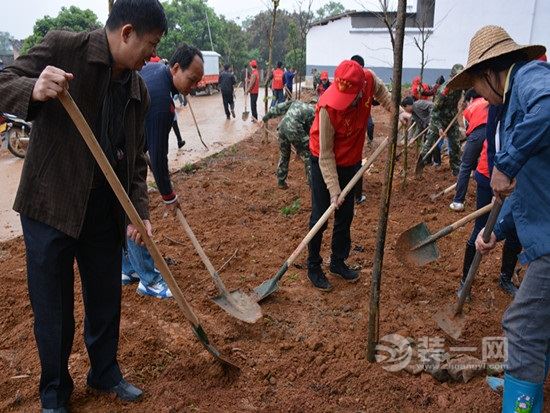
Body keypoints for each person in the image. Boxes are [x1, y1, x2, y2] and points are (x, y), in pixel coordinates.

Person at [0, 0, 168, 410]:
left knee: (106, 300)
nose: (152, 54)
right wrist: (34, 87)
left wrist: (139, 212)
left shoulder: (137, 89)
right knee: (53, 309)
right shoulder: (64, 48)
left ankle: (105, 372)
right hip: (50, 206)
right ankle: (55, 392)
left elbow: (137, 158)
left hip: (102, 213)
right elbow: (4, 79)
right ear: (126, 32)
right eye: (150, 44)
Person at [448, 25, 549, 412]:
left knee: (521, 325)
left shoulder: (530, 77)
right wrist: (499, 232)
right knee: (541, 321)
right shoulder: (508, 108)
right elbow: (525, 189)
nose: (477, 93)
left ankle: (520, 402)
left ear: (492, 70)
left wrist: (505, 163)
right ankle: (523, 383)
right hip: (542, 227)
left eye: (476, 83)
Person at [307, 60, 399, 291]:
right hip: (323, 159)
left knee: (346, 214)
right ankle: (313, 266)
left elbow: (381, 91)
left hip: (351, 159)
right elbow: (326, 155)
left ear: (360, 89)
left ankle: (338, 261)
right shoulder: (328, 107)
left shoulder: (368, 80)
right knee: (321, 215)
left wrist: (395, 110)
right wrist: (334, 190)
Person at [122, 44, 204, 299]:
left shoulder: (157, 70)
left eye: (197, 82)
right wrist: (169, 196)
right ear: (176, 68)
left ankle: (126, 268)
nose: (193, 87)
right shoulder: (161, 102)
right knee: (134, 214)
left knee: (121, 211)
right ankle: (149, 279)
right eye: (191, 79)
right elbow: (157, 158)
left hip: (119, 147)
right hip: (121, 154)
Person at [416, 64, 464, 176]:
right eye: (457, 76)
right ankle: (421, 164)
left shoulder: (461, 86)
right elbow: (435, 110)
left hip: (451, 118)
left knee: (455, 144)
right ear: (452, 77)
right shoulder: (444, 90)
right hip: (438, 119)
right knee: (429, 143)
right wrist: (439, 128)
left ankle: (456, 169)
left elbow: (467, 92)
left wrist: (465, 101)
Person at [261, 99, 315, 189]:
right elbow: (311, 132)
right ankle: (312, 185)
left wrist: (266, 117)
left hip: (282, 128)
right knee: (308, 155)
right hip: (294, 129)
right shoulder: (313, 112)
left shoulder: (296, 102)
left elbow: (279, 108)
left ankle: (281, 182)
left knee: (284, 155)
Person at [449, 88, 488, 211]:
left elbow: (468, 132)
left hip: (477, 134)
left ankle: (458, 201)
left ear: (470, 98)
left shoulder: (469, 109)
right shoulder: (489, 101)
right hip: (494, 133)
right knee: (487, 164)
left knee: (465, 166)